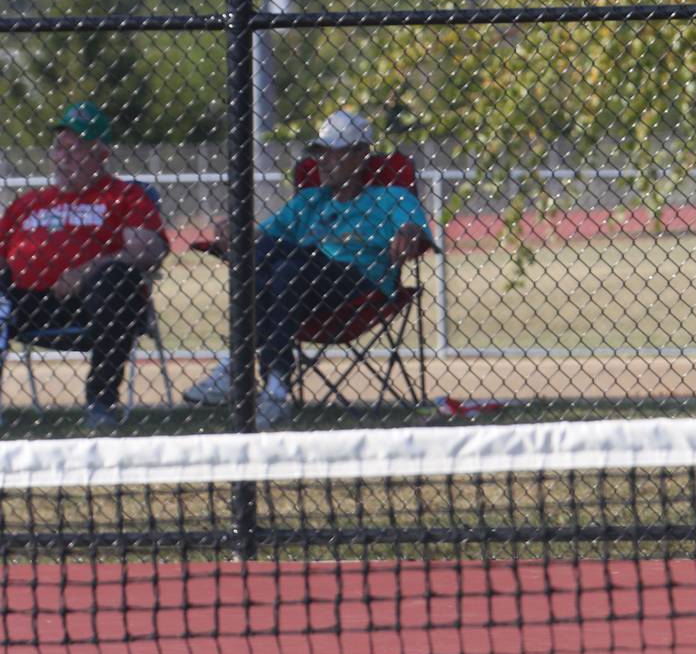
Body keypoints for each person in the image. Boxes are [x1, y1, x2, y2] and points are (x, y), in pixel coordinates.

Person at [183, 111, 435, 429]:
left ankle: (237, 363)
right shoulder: (309, 200)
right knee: (285, 266)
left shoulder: (391, 197)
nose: (323, 160)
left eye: (334, 151)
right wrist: (235, 231)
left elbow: (415, 229)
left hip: (359, 288)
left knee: (286, 260)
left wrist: (410, 235)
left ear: (361, 153)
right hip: (299, 292)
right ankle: (275, 388)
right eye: (318, 152)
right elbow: (263, 238)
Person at [0, 102, 168, 430]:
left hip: (94, 303)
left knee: (115, 279)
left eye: (74, 150)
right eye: (59, 149)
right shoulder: (29, 202)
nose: (63, 158)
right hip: (26, 302)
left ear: (101, 153)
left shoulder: (125, 195)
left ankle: (101, 401)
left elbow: (150, 249)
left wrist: (90, 269)